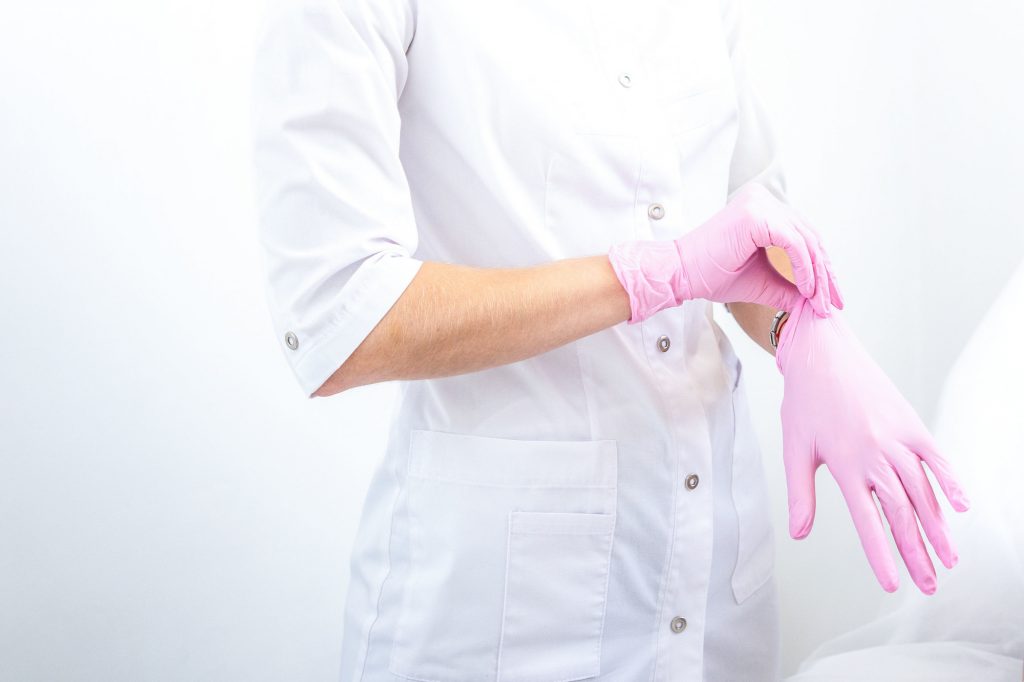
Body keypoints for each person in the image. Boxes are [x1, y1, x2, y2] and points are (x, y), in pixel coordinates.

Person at [249, 0, 969, 679]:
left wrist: (804, 330)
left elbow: (744, 212)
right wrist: (655, 275)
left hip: (717, 591)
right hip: (508, 615)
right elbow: (341, 317)